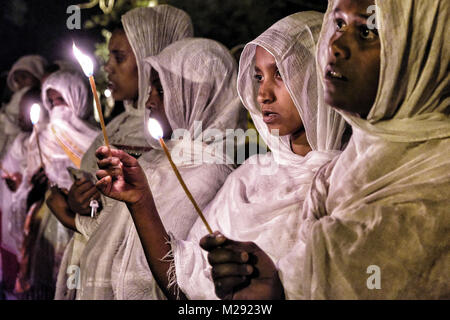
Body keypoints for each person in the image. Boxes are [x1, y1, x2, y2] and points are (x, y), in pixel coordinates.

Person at [201, 0, 450, 300]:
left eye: (368, 31)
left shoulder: (436, 183)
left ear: (422, 46)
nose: (336, 45)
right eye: (339, 24)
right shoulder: (337, 174)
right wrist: (271, 288)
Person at [94, 11, 346, 300]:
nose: (263, 94)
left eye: (280, 74)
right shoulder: (249, 177)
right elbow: (183, 286)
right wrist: (141, 202)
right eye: (258, 76)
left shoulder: (349, 185)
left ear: (320, 76)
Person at [48, 5, 195, 300]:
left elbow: (149, 232)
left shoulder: (171, 139)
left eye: (120, 57)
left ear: (153, 57)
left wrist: (71, 217)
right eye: (109, 57)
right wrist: (80, 199)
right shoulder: (116, 125)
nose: (108, 68)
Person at [11, 70, 98, 299]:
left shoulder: (98, 137)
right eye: (51, 101)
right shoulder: (41, 136)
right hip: (47, 215)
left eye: (62, 99)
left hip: (86, 218)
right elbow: (28, 180)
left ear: (77, 98)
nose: (57, 107)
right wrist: (34, 184)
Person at [0, 87, 40, 298]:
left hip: (38, 221)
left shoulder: (47, 143)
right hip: (11, 213)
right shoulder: (20, 141)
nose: (22, 115)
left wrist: (24, 187)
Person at [0, 55, 48, 158]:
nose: (20, 83)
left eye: (24, 77)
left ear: (37, 75)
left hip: (18, 136)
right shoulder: (16, 96)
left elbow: (15, 121)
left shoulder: (35, 96)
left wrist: (5, 118)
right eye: (17, 80)